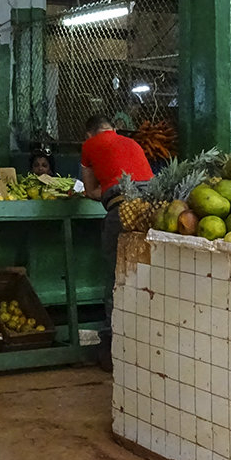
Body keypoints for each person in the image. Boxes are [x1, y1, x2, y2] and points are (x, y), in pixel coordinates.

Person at [80, 115, 153, 370]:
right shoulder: (132, 143)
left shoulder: (89, 146)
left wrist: (102, 192)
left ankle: (113, 350)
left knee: (115, 277)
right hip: (153, 211)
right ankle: (147, 344)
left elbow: (91, 191)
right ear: (114, 128)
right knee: (147, 276)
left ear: (90, 134)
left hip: (121, 212)